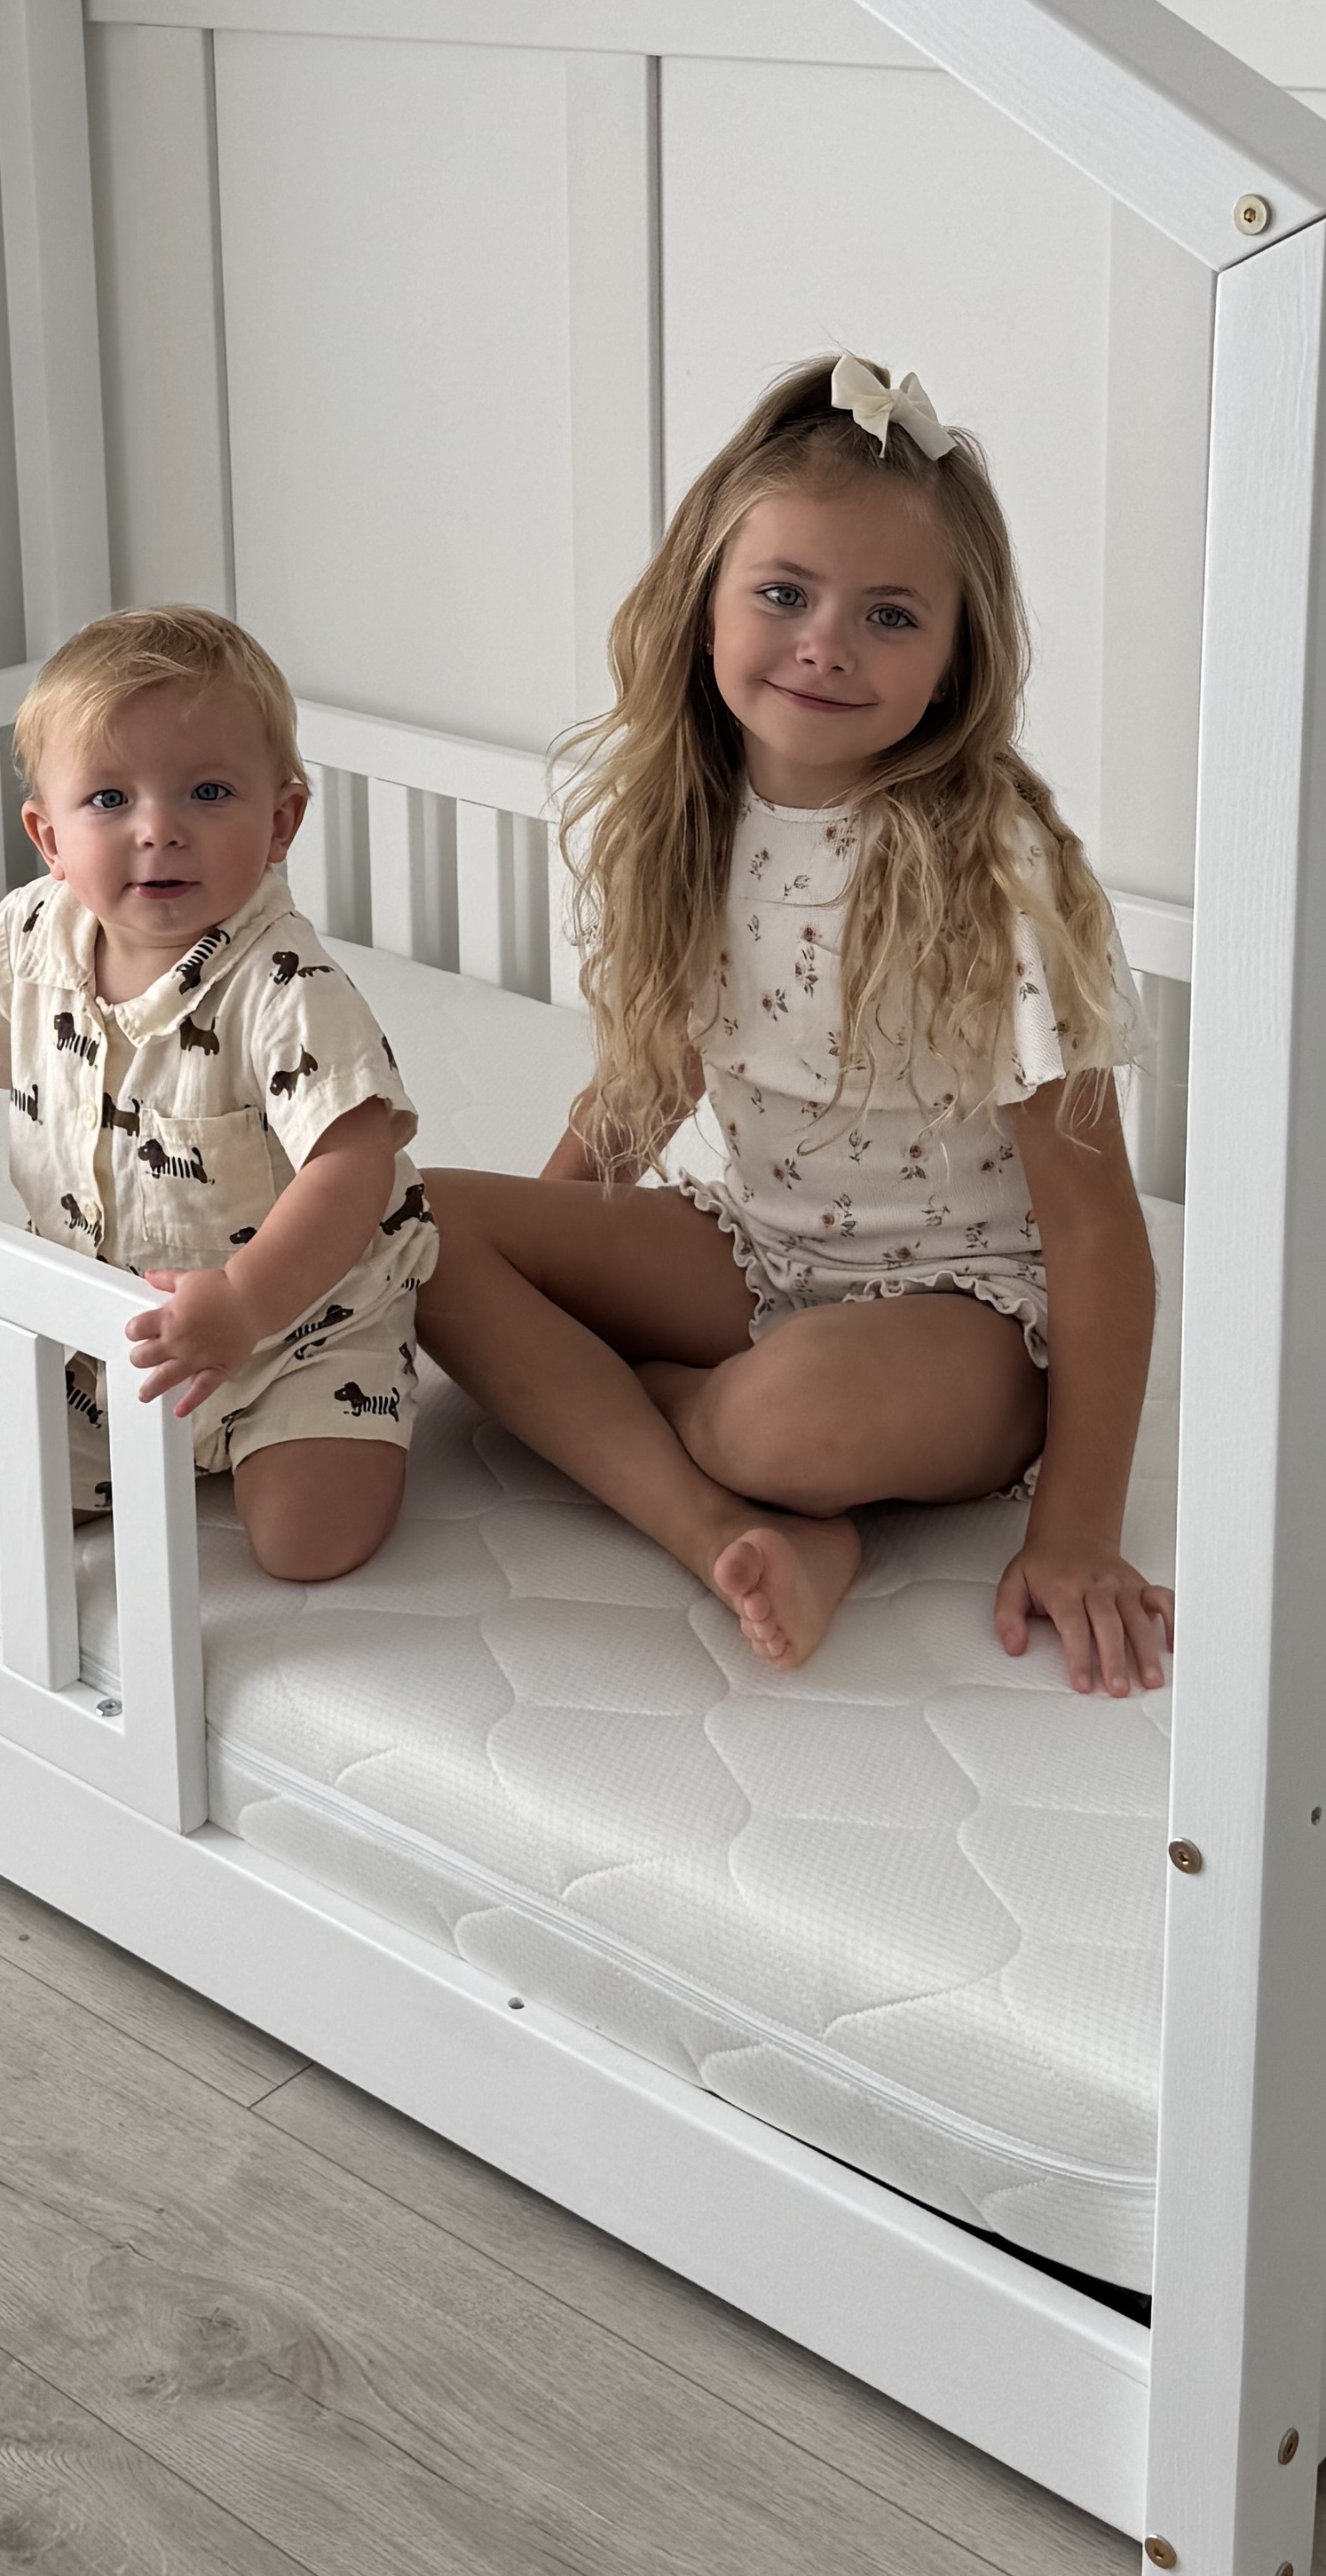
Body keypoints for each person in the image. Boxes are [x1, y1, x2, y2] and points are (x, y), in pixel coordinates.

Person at [419, 354, 1169, 1683]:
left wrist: (1077, 1532)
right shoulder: (687, 817)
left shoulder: (994, 868)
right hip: (760, 1248)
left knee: (775, 1423)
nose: (826, 643)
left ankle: (657, 1435)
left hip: (966, 1316)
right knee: (410, 1224)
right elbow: (648, 1087)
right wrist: (535, 1276)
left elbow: (1097, 1227)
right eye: (783, 595)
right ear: (705, 602)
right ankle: (724, 1531)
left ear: (955, 659)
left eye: (890, 615)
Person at [0, 603, 426, 1585]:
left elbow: (353, 1164)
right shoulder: (30, 933)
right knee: (10, 1503)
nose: (160, 830)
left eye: (208, 792)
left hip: (298, 1326)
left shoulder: (284, 984)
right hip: (100, 1324)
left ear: (280, 823)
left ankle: (311, 1415)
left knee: (308, 1543)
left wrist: (246, 1303)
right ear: (49, 836)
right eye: (110, 799)